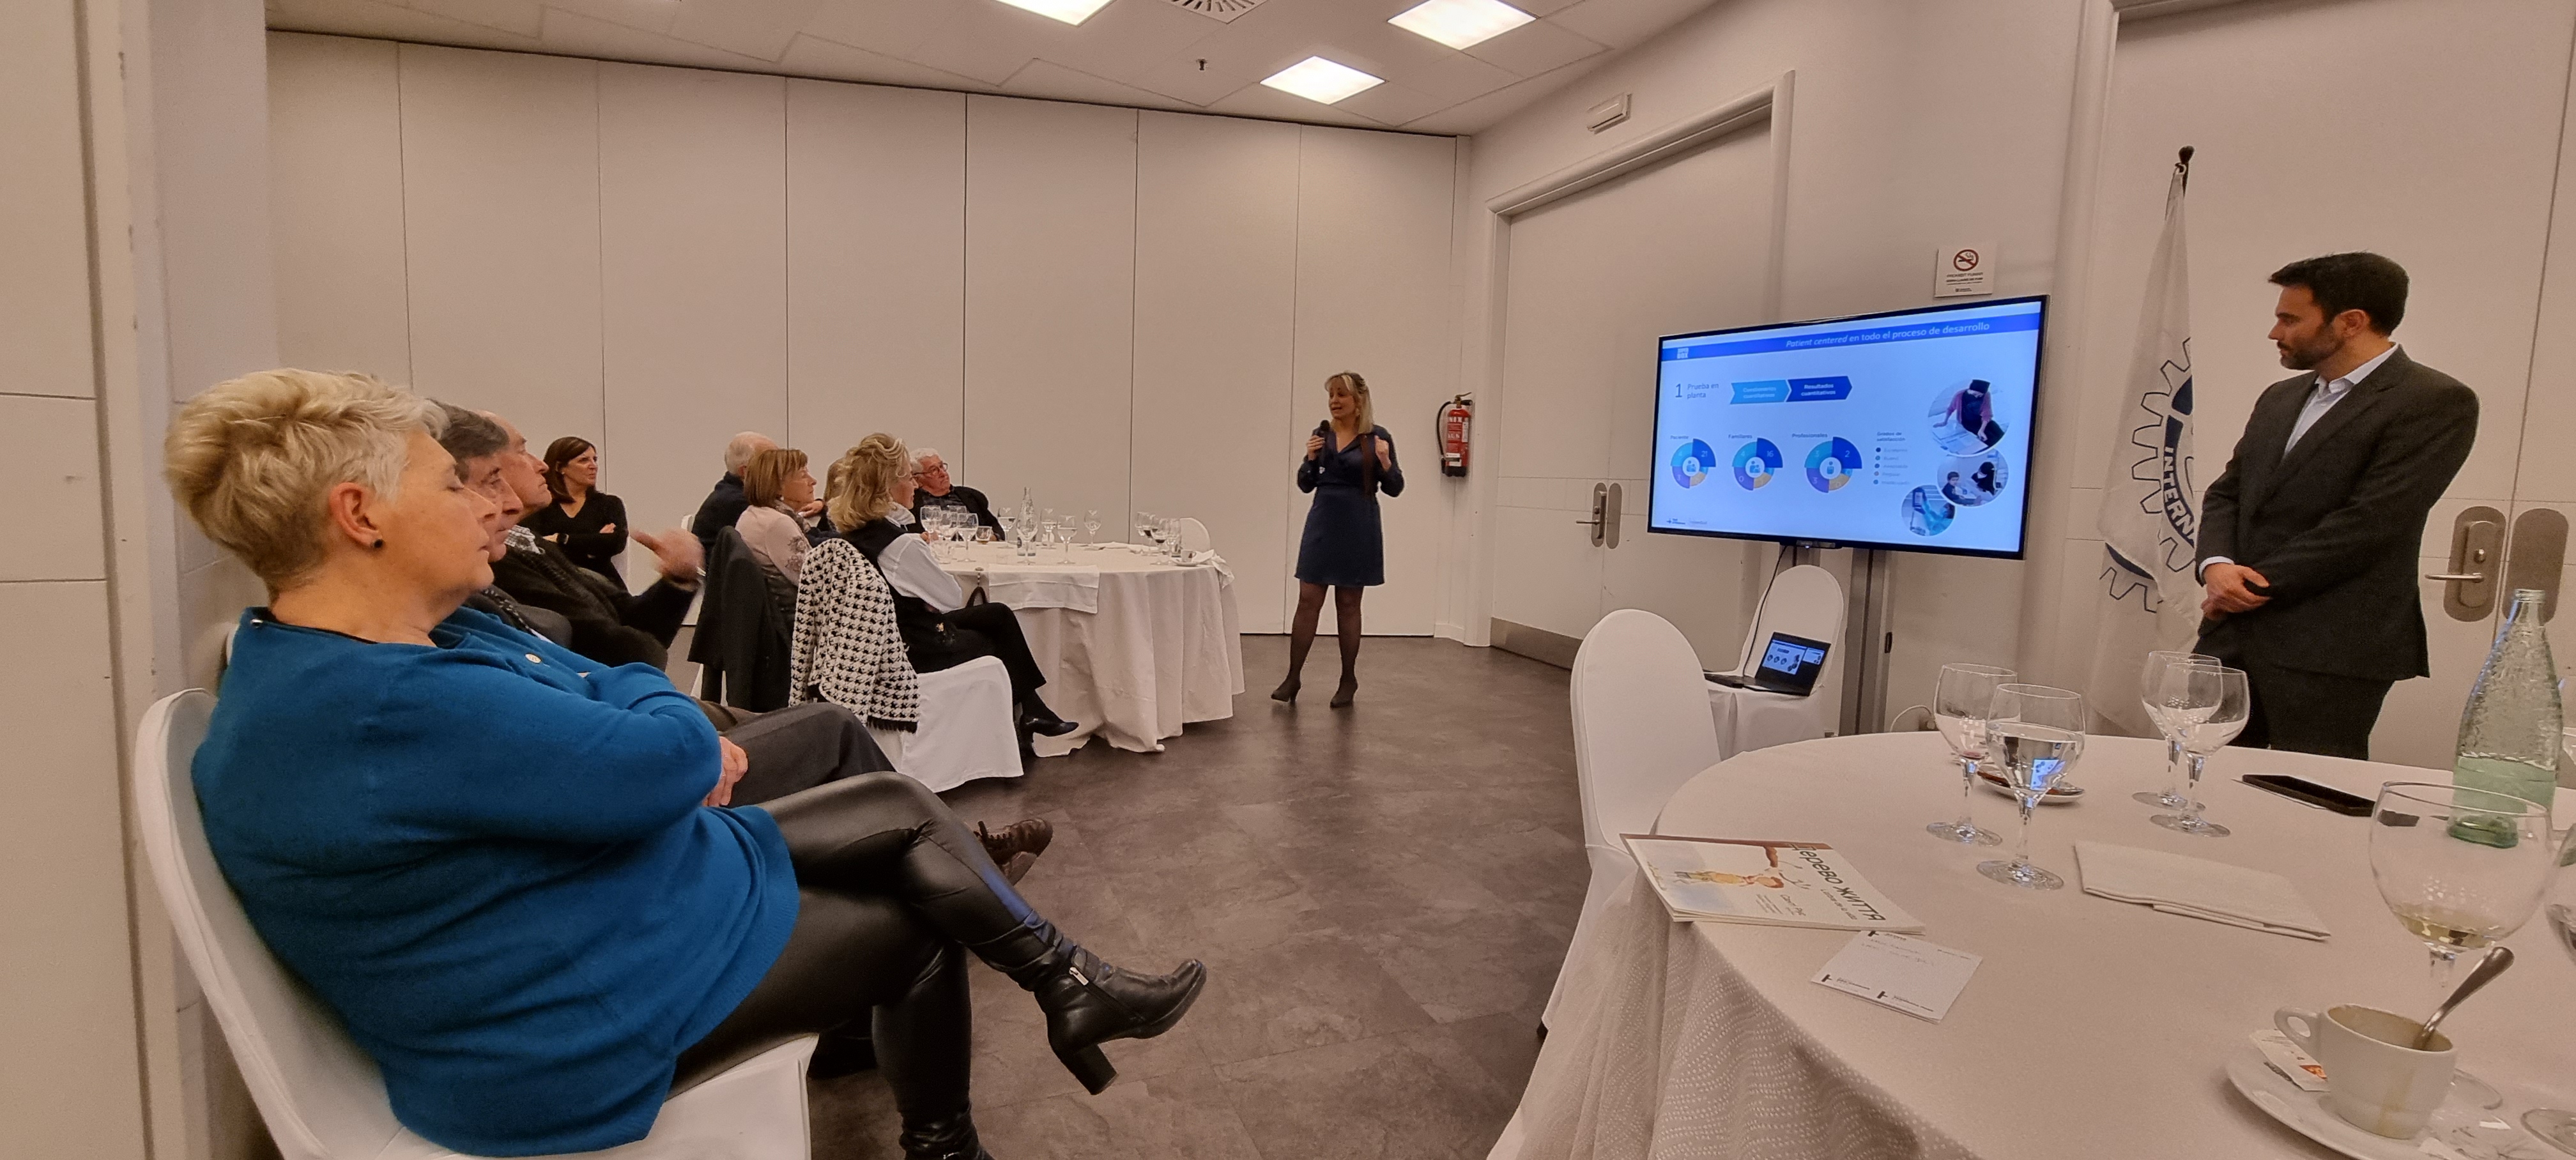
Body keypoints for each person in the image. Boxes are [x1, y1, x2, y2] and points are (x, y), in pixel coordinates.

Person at [165, 370, 1202, 1160]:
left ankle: (1061, 985)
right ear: (360, 516)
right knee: (911, 922)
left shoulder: (343, 654)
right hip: (552, 1034)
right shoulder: (385, 703)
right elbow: (654, 740)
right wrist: (666, 726)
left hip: (569, 938)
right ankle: (965, 1118)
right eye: (450, 484)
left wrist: (654, 724)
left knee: (888, 812)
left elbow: (605, 689)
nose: (485, 504)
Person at [2196, 252, 2478, 759]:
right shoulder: (2280, 398)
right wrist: (2216, 566)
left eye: (2290, 319)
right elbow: (2228, 492)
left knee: (2304, 792)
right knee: (2200, 773)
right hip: (2232, 632)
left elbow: (2372, 522)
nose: (2275, 332)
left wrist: (2250, 586)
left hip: (2332, 646)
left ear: (2351, 322)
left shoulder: (2434, 401)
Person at [829, 436, 1078, 745]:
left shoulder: (856, 533)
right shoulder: (900, 545)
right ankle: (1012, 727)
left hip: (884, 637)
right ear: (889, 486)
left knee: (998, 614)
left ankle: (1034, 710)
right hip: (912, 647)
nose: (915, 486)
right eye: (909, 478)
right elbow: (950, 597)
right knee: (995, 642)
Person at [470, 412, 703, 670]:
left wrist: (677, 580)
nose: (541, 465)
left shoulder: (530, 539)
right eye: (522, 451)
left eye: (595, 459)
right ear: (486, 473)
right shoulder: (496, 559)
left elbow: (632, 619)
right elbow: (626, 651)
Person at [1275, 371, 1404, 708]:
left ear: (1359, 400)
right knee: (1308, 600)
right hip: (1323, 521)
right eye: (1331, 395)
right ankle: (1293, 677)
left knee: (1348, 605)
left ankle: (1348, 679)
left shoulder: (1377, 437)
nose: (1334, 401)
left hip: (1359, 523)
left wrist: (1385, 461)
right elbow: (1306, 484)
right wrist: (1310, 459)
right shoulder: (1322, 434)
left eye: (1341, 395)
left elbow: (1395, 488)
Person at [524, 436, 627, 583]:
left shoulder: (609, 504)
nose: (593, 466)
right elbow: (533, 547)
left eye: (595, 460)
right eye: (583, 460)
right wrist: (592, 548)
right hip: (554, 582)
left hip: (603, 582)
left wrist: (561, 539)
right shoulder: (541, 504)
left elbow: (616, 543)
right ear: (560, 468)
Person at [736, 447, 820, 584]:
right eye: (803, 475)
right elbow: (814, 582)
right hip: (791, 598)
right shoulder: (777, 523)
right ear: (778, 485)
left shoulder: (754, 513)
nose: (813, 481)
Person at [691, 431, 776, 555]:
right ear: (745, 471)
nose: (780, 470)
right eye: (770, 464)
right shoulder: (738, 502)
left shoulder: (731, 492)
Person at [908, 449, 1003, 536]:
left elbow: (995, 527)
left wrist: (993, 537)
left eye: (941, 466)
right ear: (917, 480)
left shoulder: (971, 496)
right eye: (934, 470)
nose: (943, 473)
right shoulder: (911, 502)